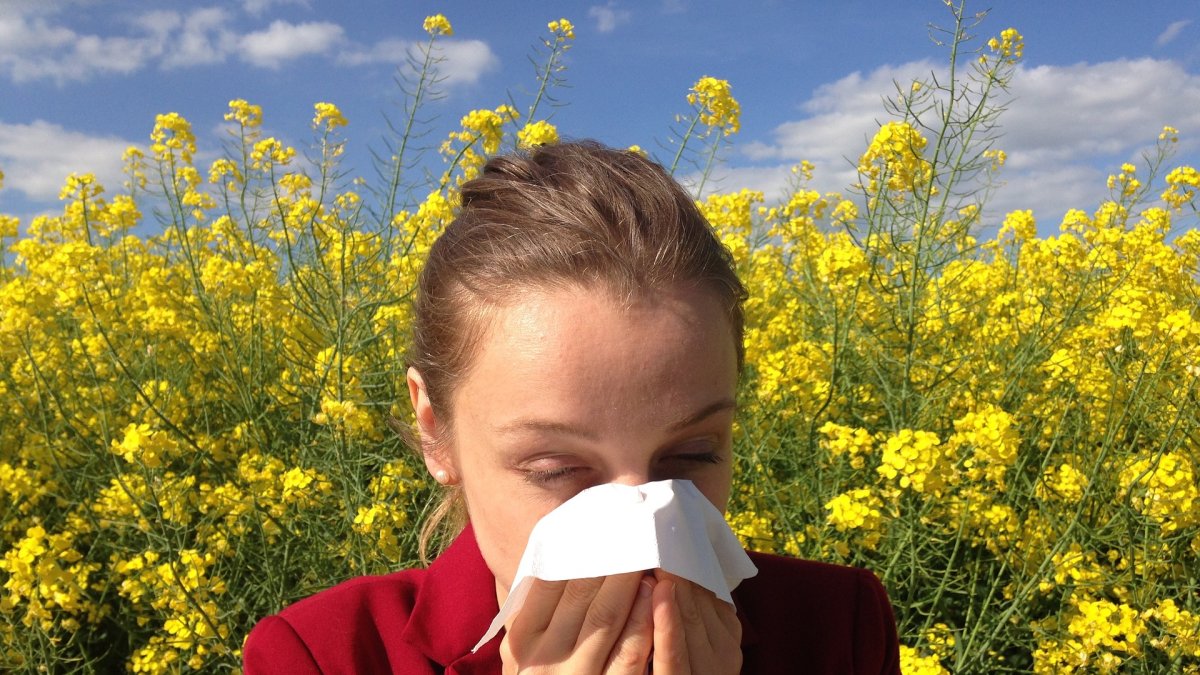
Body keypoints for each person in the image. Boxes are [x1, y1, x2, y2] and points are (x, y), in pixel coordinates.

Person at [242, 140, 901, 674]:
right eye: (558, 467)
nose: (642, 529)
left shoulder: (836, 627)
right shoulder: (326, 655)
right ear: (436, 431)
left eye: (692, 454)